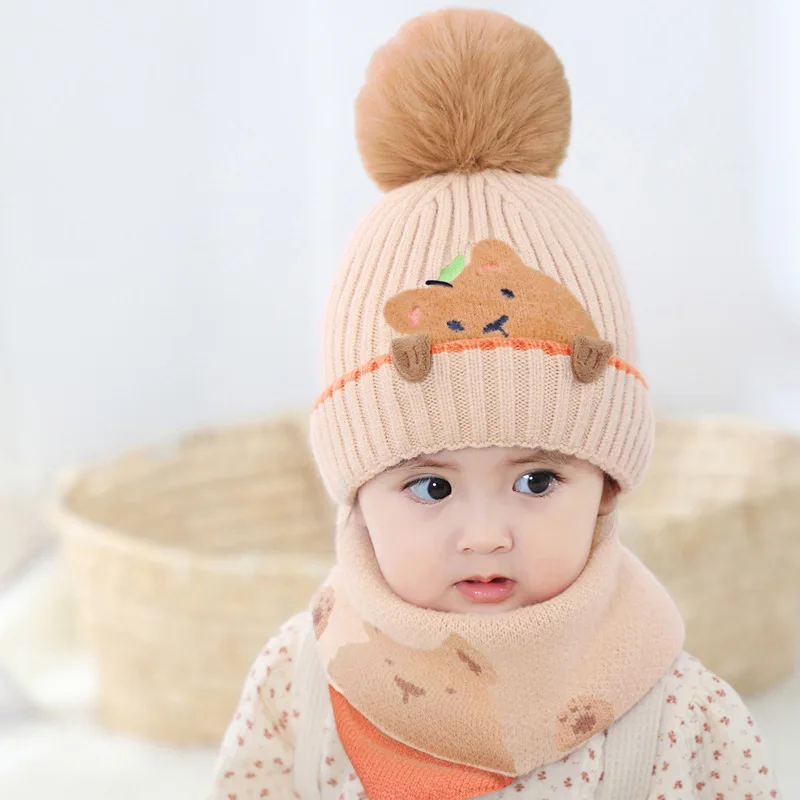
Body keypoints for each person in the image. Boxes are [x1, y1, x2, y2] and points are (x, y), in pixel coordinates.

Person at [208, 8, 782, 799]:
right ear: (359, 497)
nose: (485, 536)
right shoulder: (300, 683)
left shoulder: (680, 719)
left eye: (538, 481)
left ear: (608, 486)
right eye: (431, 486)